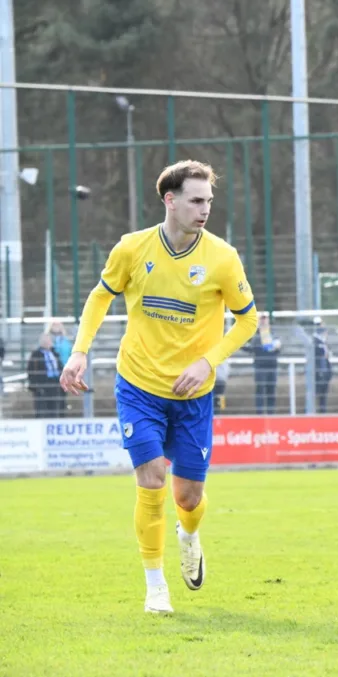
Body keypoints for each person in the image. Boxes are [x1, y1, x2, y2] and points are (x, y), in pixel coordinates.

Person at [59, 160, 258, 614]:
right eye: (195, 200)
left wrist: (208, 362)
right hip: (139, 385)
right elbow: (100, 296)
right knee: (151, 480)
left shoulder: (223, 258)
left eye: (208, 200)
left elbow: (248, 319)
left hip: (192, 396)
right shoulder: (132, 248)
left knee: (187, 497)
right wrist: (80, 349)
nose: (205, 209)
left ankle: (189, 535)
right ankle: (155, 586)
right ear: (170, 200)